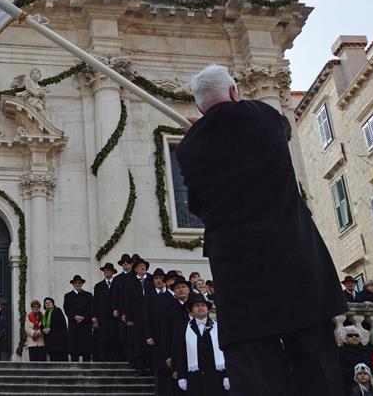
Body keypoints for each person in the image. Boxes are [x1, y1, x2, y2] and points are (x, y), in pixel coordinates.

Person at [176, 64, 347, 396]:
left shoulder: (189, 149)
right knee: (318, 367)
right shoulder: (265, 117)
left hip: (240, 275)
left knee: (257, 375)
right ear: (234, 92)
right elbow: (248, 125)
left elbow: (197, 204)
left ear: (199, 106)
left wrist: (201, 133)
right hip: (293, 260)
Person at [172, 293, 229, 395]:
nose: (200, 308)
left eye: (203, 305)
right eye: (197, 306)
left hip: (216, 376)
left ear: (207, 308)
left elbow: (225, 352)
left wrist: (227, 375)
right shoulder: (184, 328)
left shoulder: (218, 327)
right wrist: (182, 376)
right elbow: (180, 353)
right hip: (194, 377)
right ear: (191, 310)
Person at [124, 257, 154, 372]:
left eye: (144, 266)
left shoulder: (150, 280)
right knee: (138, 341)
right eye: (140, 266)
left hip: (149, 316)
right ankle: (139, 366)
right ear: (135, 269)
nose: (143, 267)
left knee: (150, 339)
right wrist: (128, 317)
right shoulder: (130, 282)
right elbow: (127, 301)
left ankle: (150, 365)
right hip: (136, 316)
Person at [93, 262, 120, 362]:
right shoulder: (98, 286)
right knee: (102, 339)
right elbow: (95, 302)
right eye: (105, 270)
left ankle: (114, 359)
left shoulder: (118, 284)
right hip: (102, 316)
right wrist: (94, 317)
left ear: (113, 272)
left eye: (108, 270)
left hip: (114, 317)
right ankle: (103, 359)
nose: (106, 272)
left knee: (114, 338)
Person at [64, 274, 93, 362]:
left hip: (85, 324)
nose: (77, 284)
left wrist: (84, 317)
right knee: (74, 349)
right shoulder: (68, 296)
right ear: (73, 284)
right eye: (75, 283)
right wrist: (74, 316)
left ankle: (87, 369)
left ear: (82, 284)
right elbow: (66, 309)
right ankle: (74, 369)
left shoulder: (88, 295)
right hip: (74, 324)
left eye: (79, 283)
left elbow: (91, 308)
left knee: (86, 349)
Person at [42, 297, 68, 361]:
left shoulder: (57, 310)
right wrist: (42, 330)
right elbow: (42, 325)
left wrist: (50, 328)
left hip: (59, 342)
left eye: (49, 302)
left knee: (61, 359)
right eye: (46, 303)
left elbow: (58, 322)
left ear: (53, 303)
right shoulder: (45, 315)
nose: (48, 304)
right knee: (53, 359)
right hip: (51, 342)